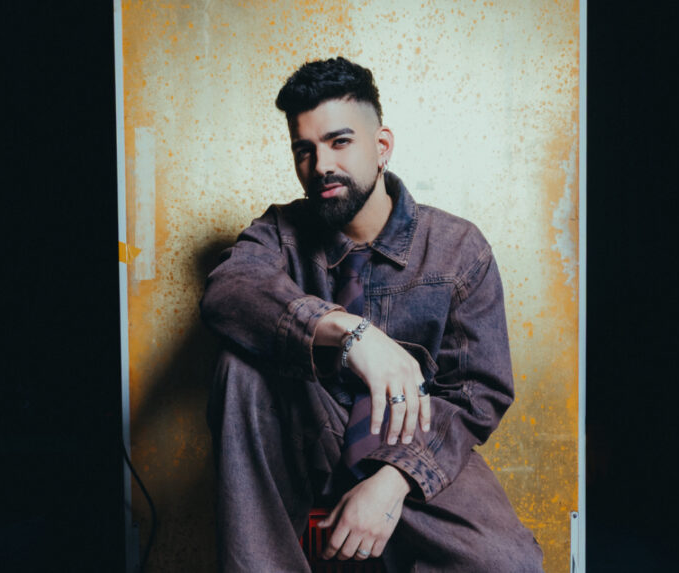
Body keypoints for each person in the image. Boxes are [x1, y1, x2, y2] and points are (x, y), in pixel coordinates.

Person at [201, 57, 543, 572]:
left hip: (411, 443)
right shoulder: (279, 233)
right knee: (239, 367)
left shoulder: (457, 249)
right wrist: (349, 332)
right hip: (302, 430)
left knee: (509, 564)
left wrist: (392, 482)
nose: (321, 166)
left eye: (339, 142)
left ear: (382, 146)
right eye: (304, 150)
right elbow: (227, 290)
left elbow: (477, 395)